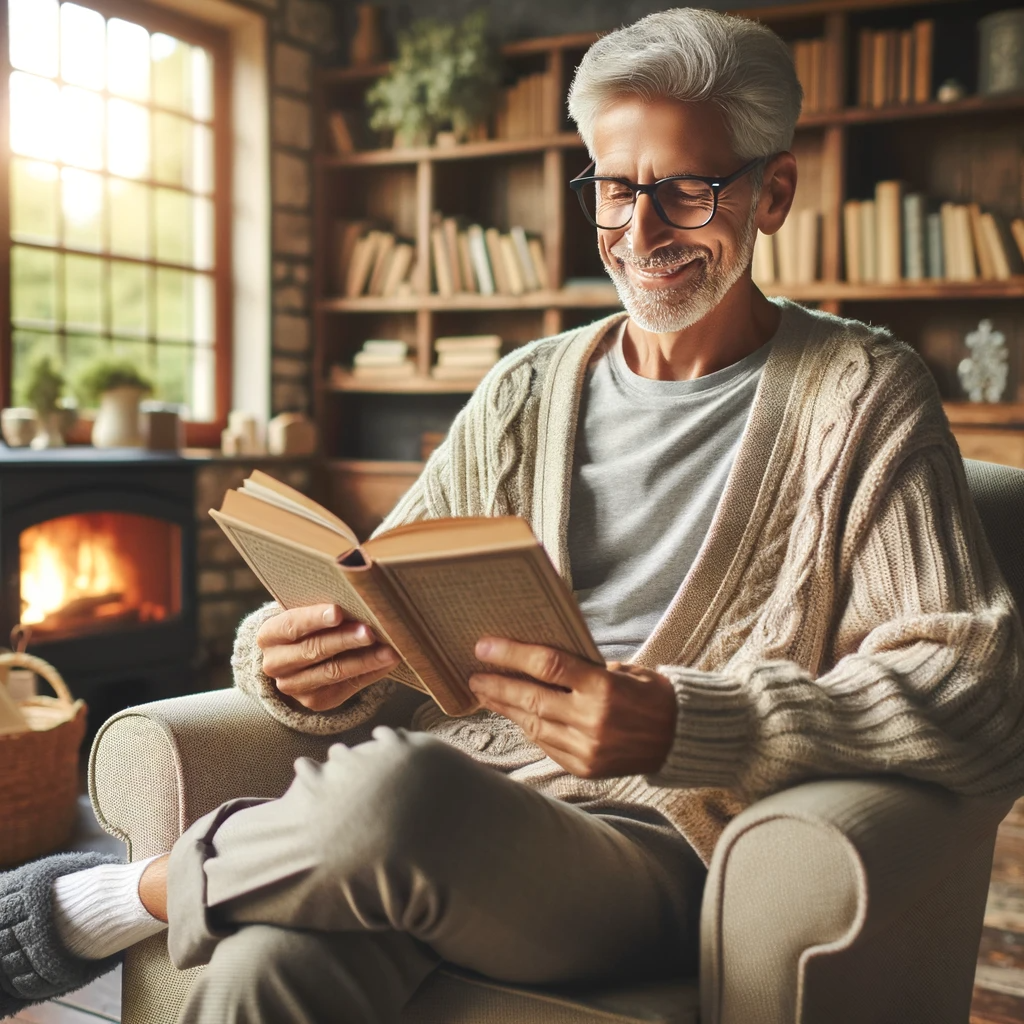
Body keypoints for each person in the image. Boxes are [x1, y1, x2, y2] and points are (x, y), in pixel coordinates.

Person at [4, 8, 1024, 1022]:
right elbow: (383, 584)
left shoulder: (862, 393)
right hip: (460, 805)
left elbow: (971, 683)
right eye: (616, 188)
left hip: (659, 844)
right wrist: (291, 663)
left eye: (686, 188)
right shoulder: (523, 388)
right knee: (261, 964)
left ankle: (102, 901)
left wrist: (687, 723)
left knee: (396, 793)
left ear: (773, 191)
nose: (641, 229)